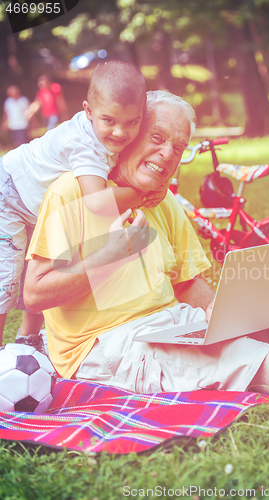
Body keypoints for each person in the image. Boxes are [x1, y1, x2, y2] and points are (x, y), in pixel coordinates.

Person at [24, 90, 269, 396]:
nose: (168, 154)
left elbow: (185, 283)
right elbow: (35, 294)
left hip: (170, 323)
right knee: (238, 358)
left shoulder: (162, 198)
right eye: (157, 138)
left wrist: (217, 311)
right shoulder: (70, 193)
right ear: (129, 136)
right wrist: (109, 256)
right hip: (105, 344)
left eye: (179, 147)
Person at [0, 61, 167, 349]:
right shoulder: (84, 145)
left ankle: (27, 340)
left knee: (41, 267)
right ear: (88, 111)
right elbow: (96, 203)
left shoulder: (106, 134)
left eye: (132, 122)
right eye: (109, 121)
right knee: (7, 277)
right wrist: (141, 192)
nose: (119, 133)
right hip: (10, 197)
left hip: (31, 202)